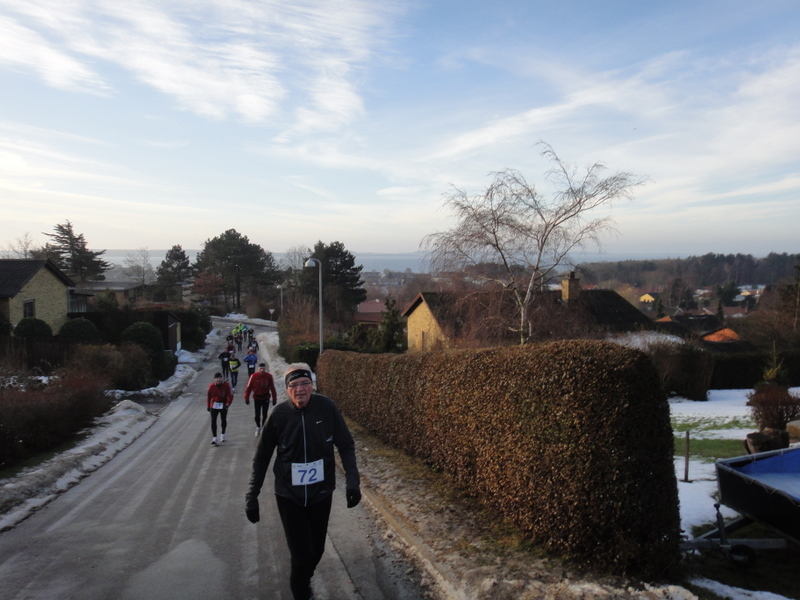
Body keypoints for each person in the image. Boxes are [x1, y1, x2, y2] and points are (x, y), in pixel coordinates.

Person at [245, 364, 361, 600]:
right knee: (301, 557)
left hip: (321, 494)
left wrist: (353, 482)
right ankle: (301, 592)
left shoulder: (326, 408)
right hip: (290, 497)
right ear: (287, 390)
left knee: (316, 552)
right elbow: (262, 456)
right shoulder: (278, 415)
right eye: (294, 385)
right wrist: (252, 496)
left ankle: (302, 578)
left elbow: (346, 445)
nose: (300, 389)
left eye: (304, 383)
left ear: (312, 386)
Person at [243, 362, 277, 436]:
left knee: (265, 414)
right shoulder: (253, 376)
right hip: (257, 397)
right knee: (257, 414)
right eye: (260, 368)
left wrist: (274, 399)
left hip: (266, 397)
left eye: (263, 368)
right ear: (258, 369)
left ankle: (264, 428)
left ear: (265, 369)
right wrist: (246, 398)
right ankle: (258, 426)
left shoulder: (269, 376)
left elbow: (272, 388)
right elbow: (249, 388)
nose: (262, 370)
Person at [207, 372, 233, 445]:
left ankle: (223, 434)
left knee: (223, 419)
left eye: (220, 378)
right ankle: (214, 437)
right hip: (214, 404)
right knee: (213, 420)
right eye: (217, 378)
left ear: (222, 379)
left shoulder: (226, 385)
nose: (218, 380)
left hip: (223, 404)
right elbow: (208, 396)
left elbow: (230, 395)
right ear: (214, 379)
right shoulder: (211, 386)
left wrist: (228, 403)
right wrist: (208, 405)